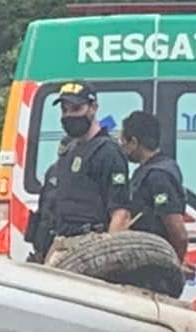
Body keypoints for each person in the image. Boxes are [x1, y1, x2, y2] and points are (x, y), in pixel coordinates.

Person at [29, 81, 131, 264]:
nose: (69, 116)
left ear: (93, 108)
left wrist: (108, 258)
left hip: (92, 244)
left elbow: (120, 214)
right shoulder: (70, 150)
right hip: (61, 243)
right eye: (64, 110)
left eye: (76, 108)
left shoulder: (108, 152)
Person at [121, 109, 191, 272]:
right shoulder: (145, 171)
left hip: (154, 266)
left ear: (134, 142)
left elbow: (178, 233)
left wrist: (174, 267)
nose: (122, 147)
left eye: (123, 141)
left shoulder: (158, 176)